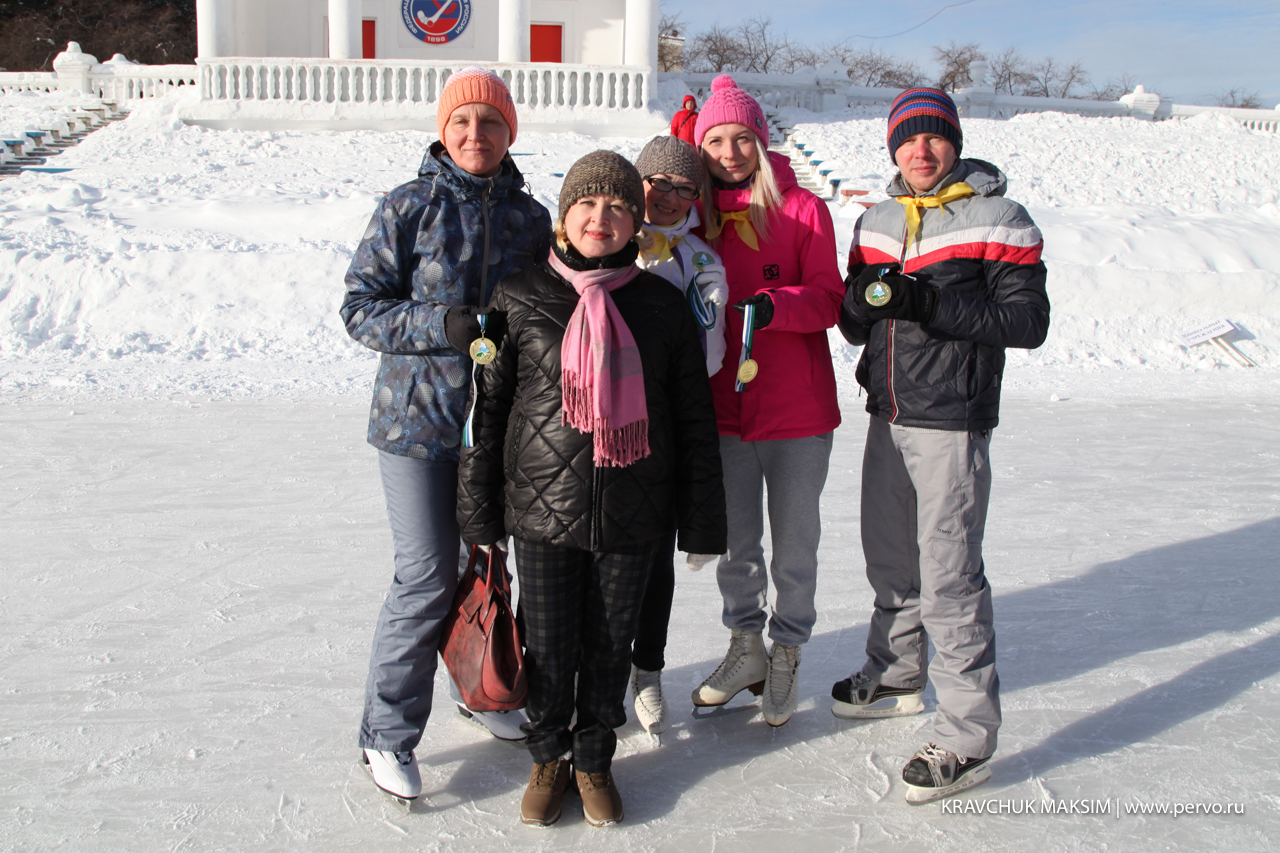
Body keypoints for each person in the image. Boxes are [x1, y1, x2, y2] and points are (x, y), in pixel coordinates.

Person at [456, 151, 726, 828]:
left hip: (635, 510)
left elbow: (693, 418)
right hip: (542, 508)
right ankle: (549, 756)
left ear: (635, 221)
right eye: (586, 204)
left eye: (617, 207)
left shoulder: (662, 304)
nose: (600, 218)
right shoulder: (518, 296)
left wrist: (701, 521)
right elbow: (488, 411)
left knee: (610, 649)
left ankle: (594, 758)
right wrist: (479, 508)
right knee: (549, 646)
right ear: (564, 215)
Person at [338, 68, 551, 804]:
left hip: (497, 427)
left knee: (485, 566)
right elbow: (360, 308)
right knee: (427, 573)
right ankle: (387, 732)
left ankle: (478, 688)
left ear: (509, 133)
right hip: (416, 424)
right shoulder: (409, 206)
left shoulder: (531, 219)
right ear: (443, 131)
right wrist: (444, 325)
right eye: (462, 122)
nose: (475, 134)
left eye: (490, 123)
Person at [834, 87, 1050, 803]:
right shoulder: (875, 219)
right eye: (908, 139)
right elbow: (857, 323)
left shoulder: (1000, 217)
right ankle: (896, 673)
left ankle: (967, 734)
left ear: (954, 142)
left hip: (952, 420)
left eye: (934, 137)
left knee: (950, 577)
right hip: (886, 414)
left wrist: (927, 300)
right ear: (893, 148)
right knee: (890, 561)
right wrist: (856, 301)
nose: (920, 150)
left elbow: (1026, 322)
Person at [688, 75, 844, 728]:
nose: (730, 152)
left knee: (795, 544)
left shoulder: (803, 210)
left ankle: (787, 649)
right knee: (736, 544)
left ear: (761, 140)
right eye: (716, 141)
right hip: (723, 409)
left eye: (741, 138)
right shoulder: (695, 220)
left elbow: (831, 299)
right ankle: (746, 645)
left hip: (796, 411)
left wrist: (778, 306)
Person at [627, 135, 730, 735]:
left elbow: (709, 354)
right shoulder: (601, 234)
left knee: (653, 554)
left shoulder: (700, 260)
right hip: (592, 419)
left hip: (661, 421)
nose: (667, 197)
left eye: (683, 188)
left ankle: (646, 668)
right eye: (657, 182)